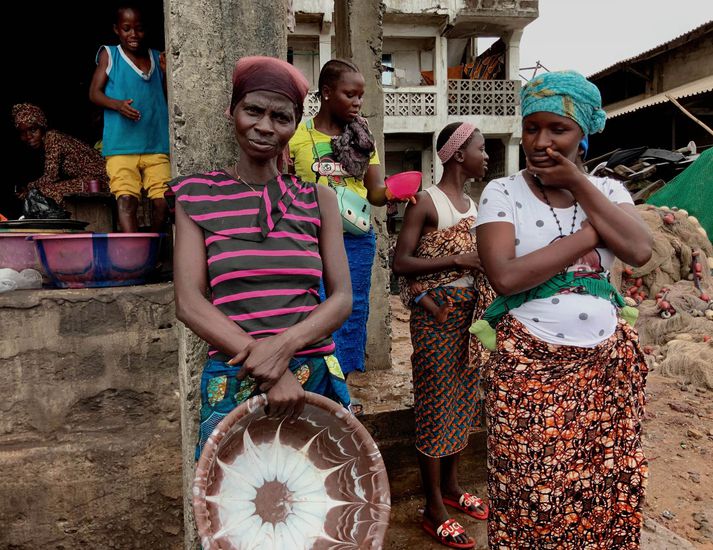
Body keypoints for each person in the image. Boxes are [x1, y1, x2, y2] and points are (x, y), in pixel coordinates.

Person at [475, 71, 652, 549]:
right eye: (532, 127)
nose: (541, 141)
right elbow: (506, 276)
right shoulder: (502, 192)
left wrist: (579, 184)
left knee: (603, 486)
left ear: (584, 134)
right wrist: (592, 235)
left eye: (558, 129)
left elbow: (638, 249)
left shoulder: (610, 191)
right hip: (530, 370)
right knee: (533, 490)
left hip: (606, 372)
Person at [170, 56, 353, 457]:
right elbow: (189, 301)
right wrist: (269, 370)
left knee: (317, 504)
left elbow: (341, 298)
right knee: (234, 508)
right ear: (232, 111)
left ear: (294, 124)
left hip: (312, 374)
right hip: (235, 375)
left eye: (281, 117)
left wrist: (285, 348)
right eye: (253, 110)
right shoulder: (195, 197)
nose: (265, 126)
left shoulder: (319, 199)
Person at [392, 122, 492, 549]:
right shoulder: (427, 204)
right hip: (436, 320)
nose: (486, 156)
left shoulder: (473, 203)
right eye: (481, 149)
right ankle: (433, 507)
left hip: (468, 321)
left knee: (463, 404)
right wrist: (458, 258)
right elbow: (401, 262)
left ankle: (451, 487)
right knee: (435, 407)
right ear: (457, 155)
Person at [289, 59, 415, 388]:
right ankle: (311, 385)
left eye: (360, 95)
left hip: (355, 239)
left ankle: (341, 388)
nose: (358, 102)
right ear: (327, 93)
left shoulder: (362, 137)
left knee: (351, 311)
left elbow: (373, 192)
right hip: (309, 239)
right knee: (311, 307)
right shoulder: (297, 136)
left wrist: (392, 193)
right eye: (350, 94)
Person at [89, 3, 170, 232]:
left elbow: (166, 97)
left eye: (139, 29)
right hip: (121, 146)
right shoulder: (110, 54)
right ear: (116, 29)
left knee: (164, 202)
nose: (133, 35)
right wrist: (117, 105)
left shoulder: (157, 57)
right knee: (126, 200)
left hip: (156, 144)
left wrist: (165, 75)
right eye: (126, 29)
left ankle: (153, 248)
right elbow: (94, 93)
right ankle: (134, 257)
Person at [12, 103, 108, 207]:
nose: (28, 136)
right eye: (23, 133)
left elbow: (51, 177)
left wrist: (29, 187)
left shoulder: (53, 138)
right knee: (42, 191)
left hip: (100, 181)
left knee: (46, 191)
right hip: (89, 181)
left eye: (33, 130)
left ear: (42, 127)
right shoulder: (44, 144)